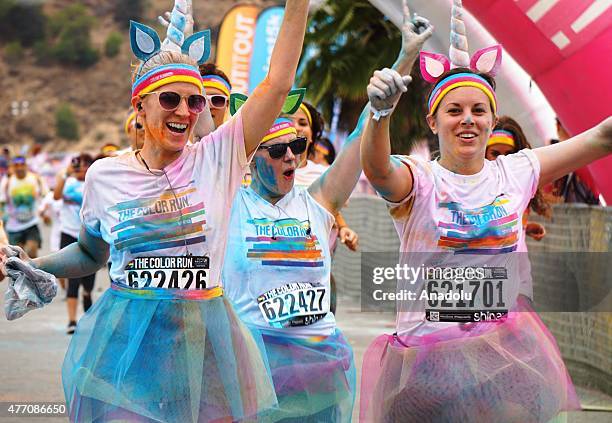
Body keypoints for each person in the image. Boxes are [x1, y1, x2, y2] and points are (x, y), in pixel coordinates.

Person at [1, 0, 310, 420]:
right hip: (128, 343)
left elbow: (275, 84)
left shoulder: (218, 157)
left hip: (206, 343)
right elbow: (92, 254)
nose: (184, 112)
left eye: (195, 103)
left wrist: (298, 4)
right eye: (169, 99)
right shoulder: (104, 176)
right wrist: (36, 263)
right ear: (139, 107)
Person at [358, 1, 610, 421]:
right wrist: (380, 114)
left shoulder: (517, 171)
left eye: (479, 111)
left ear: (493, 121)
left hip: (501, 353)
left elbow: (601, 138)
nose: (467, 120)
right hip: (428, 360)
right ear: (433, 121)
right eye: (454, 111)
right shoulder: (421, 179)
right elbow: (379, 169)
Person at [222, 5, 432, 422]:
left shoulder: (318, 202)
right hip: (255, 364)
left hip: (319, 365)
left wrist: (404, 57)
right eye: (277, 150)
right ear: (250, 156)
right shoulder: (230, 203)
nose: (291, 157)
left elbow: (359, 138)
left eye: (297, 148)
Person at [486, 116, 552, 241]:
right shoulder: (475, 190)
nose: (502, 160)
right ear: (484, 153)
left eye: (509, 154)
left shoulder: (522, 185)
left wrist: (524, 227)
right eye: (495, 154)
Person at [54, 153, 98, 335]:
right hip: (69, 234)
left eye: (86, 164)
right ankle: (71, 320)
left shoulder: (94, 183)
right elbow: (56, 196)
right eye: (78, 164)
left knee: (88, 284)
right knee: (73, 280)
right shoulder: (69, 183)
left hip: (89, 235)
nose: (82, 167)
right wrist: (65, 174)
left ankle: (87, 302)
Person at [0, 156, 48, 258]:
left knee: (32, 252)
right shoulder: (7, 182)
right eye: (16, 165)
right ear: (12, 167)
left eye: (22, 165)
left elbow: (45, 196)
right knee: (19, 258)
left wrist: (44, 212)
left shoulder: (35, 178)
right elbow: (2, 202)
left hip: (31, 223)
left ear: (26, 166)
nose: (19, 168)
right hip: (14, 227)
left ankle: (34, 273)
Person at [199, 63, 232, 129]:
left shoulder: (238, 138)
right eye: (200, 100)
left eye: (217, 100)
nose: (207, 107)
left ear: (227, 104)